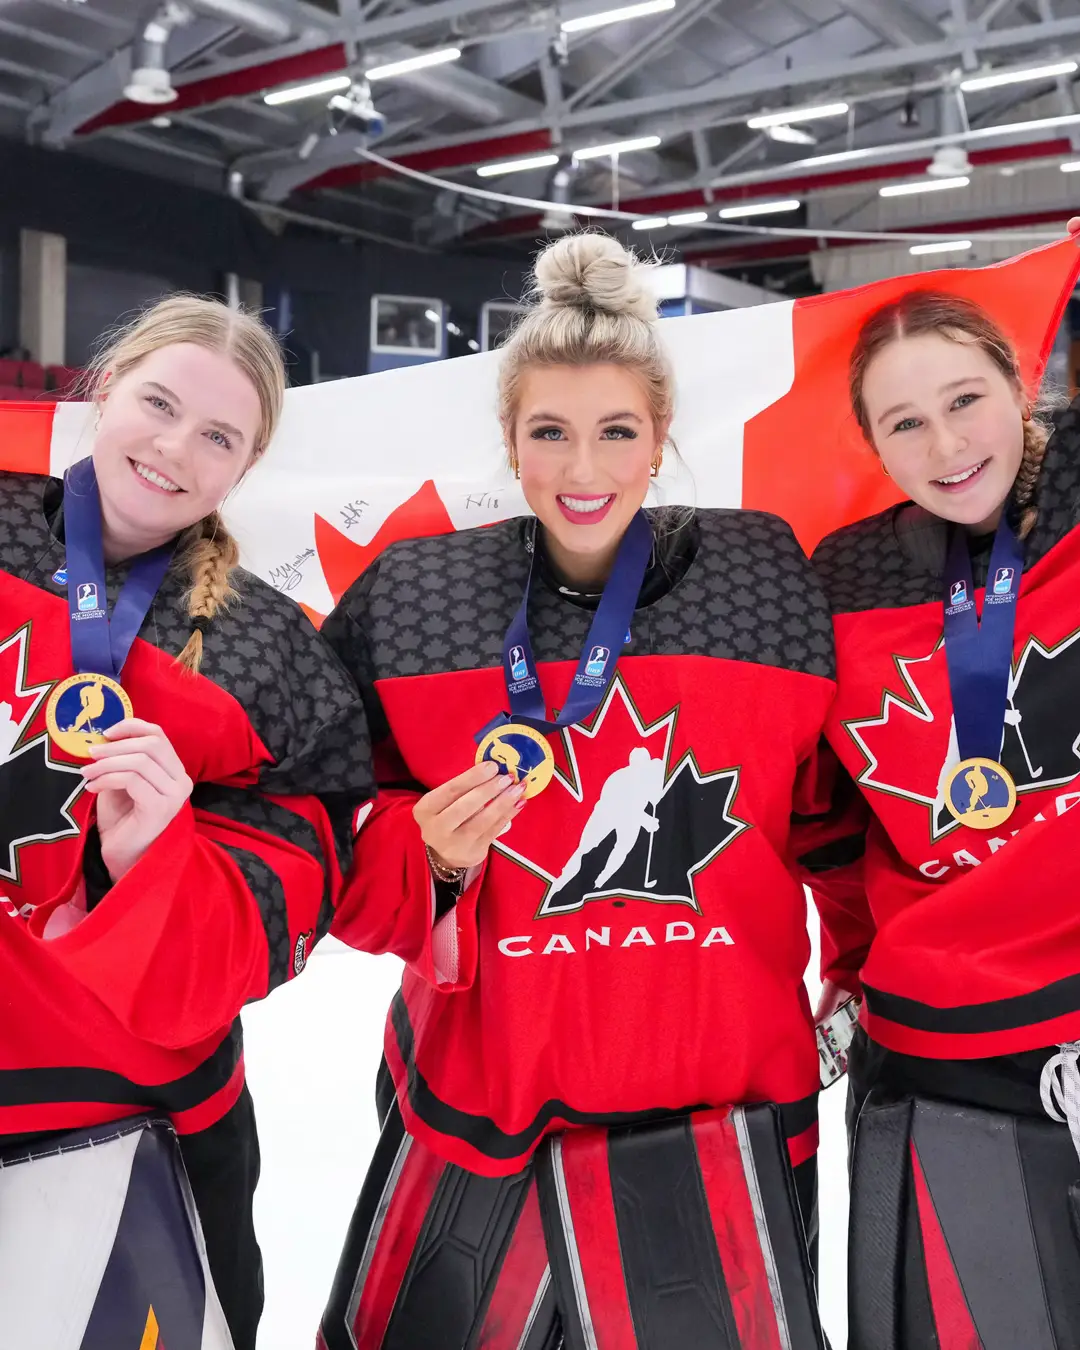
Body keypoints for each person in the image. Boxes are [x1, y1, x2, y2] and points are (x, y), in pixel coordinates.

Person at [319, 231, 843, 1349]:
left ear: (661, 443)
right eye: (549, 433)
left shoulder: (768, 582)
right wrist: (434, 859)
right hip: (483, 1106)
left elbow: (842, 822)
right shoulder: (416, 600)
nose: (583, 468)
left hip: (716, 1117)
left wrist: (869, 980)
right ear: (510, 444)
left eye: (617, 432)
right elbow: (328, 862)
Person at [0, 295, 372, 1349]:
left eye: (220, 436)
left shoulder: (269, 648)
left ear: (246, 467)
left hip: (137, 1093)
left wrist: (160, 863)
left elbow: (308, 866)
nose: (175, 449)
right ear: (104, 387)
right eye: (158, 403)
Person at [811, 226, 1080, 1346]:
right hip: (944, 1047)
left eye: (966, 401)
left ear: (1024, 388)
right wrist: (849, 972)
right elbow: (821, 816)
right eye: (903, 422)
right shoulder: (845, 577)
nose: (945, 444)